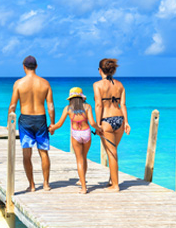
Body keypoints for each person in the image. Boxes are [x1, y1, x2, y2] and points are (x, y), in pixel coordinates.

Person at [8, 55, 55, 192]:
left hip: (25, 120)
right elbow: (50, 106)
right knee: (44, 152)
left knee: (26, 154)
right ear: (36, 67)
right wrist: (52, 123)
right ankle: (46, 184)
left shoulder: (19, 83)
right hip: (40, 118)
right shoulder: (45, 83)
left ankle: (32, 185)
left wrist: (9, 124)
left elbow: (12, 106)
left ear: (23, 67)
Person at [49, 87, 102, 194]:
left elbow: (59, 124)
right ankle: (82, 179)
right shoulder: (87, 107)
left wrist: (51, 128)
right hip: (86, 133)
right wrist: (99, 128)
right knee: (84, 157)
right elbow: (92, 123)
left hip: (76, 134)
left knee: (79, 159)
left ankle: (83, 187)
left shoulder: (68, 109)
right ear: (82, 97)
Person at [93, 58, 131, 192]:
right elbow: (123, 105)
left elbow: (98, 105)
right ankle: (112, 180)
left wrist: (97, 124)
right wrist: (126, 122)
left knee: (111, 153)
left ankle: (115, 185)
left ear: (100, 70)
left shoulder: (97, 85)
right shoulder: (120, 85)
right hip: (120, 119)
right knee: (113, 151)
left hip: (106, 120)